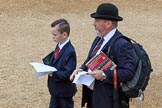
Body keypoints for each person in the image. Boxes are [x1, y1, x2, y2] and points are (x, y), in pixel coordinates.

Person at [70, 3, 136, 108]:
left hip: (109, 101)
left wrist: (104, 75)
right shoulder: (98, 39)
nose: (93, 23)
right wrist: (81, 70)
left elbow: (128, 72)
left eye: (97, 20)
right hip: (94, 97)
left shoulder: (122, 44)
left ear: (108, 23)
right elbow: (90, 59)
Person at [43, 18, 77, 108]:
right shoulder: (59, 45)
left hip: (64, 93)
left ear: (64, 34)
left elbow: (68, 74)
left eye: (55, 35)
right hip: (56, 91)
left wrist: (52, 74)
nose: (53, 37)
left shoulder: (70, 51)